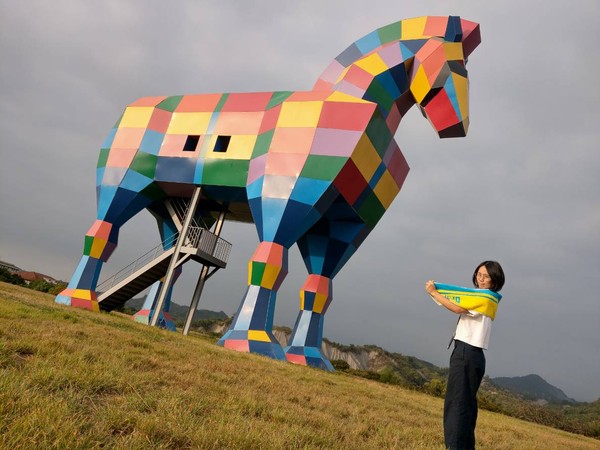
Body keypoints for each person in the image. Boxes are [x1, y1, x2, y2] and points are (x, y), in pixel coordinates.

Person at [425, 261, 505, 450]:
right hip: (473, 356)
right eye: (478, 274)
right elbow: (459, 302)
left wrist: (434, 292)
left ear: (495, 280)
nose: (480, 278)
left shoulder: (484, 298)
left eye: (485, 276)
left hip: (466, 354)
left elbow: (457, 308)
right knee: (467, 408)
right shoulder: (487, 299)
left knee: (456, 406)